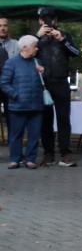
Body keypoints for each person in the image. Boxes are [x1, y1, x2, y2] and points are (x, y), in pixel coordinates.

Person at [34, 7, 79, 167]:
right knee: (45, 120)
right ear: (40, 20)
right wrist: (37, 36)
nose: (48, 21)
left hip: (61, 82)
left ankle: (65, 152)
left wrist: (62, 40)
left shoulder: (64, 35)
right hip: (43, 85)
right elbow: (24, 51)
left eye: (51, 18)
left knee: (63, 119)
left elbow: (76, 52)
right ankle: (48, 153)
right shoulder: (35, 38)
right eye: (44, 18)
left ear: (56, 20)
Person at [1, 35, 46, 169]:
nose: (37, 49)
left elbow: (44, 84)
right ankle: (15, 159)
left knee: (34, 134)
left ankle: (30, 159)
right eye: (35, 46)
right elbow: (4, 83)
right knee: (16, 134)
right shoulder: (11, 63)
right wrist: (16, 95)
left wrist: (43, 74)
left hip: (36, 105)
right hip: (17, 106)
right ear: (25, 47)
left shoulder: (38, 63)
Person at [0, 16, 18, 134]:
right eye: (0, 26)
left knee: (11, 117)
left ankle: (14, 146)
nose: (2, 28)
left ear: (8, 27)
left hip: (10, 86)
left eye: (5, 26)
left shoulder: (17, 44)